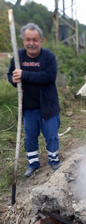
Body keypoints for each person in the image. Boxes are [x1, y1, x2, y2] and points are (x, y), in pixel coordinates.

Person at [7, 23, 61, 177]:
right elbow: (10, 74)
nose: (31, 43)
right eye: (28, 39)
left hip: (48, 107)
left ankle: (54, 160)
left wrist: (24, 74)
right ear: (23, 40)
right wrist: (14, 80)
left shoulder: (48, 57)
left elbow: (49, 77)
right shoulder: (18, 58)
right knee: (30, 138)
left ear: (41, 40)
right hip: (28, 107)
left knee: (51, 135)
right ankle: (33, 163)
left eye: (35, 40)